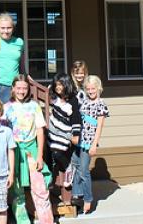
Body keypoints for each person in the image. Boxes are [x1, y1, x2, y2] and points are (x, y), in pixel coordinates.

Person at [3, 75, 51, 221]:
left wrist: (40, 156)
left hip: (31, 150)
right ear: (13, 89)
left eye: (24, 88)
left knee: (40, 187)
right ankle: (23, 220)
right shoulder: (6, 108)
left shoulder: (34, 106)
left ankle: (46, 220)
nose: (21, 91)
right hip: (14, 151)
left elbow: (40, 131)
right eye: (18, 88)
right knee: (17, 191)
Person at [71, 75, 109, 214]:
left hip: (89, 141)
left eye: (93, 88)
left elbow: (99, 126)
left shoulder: (101, 104)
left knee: (84, 170)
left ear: (98, 88)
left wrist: (94, 145)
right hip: (79, 139)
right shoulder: (85, 101)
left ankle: (87, 199)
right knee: (75, 164)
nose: (91, 91)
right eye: (88, 89)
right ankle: (77, 193)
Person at [47, 73, 81, 207]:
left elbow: (76, 118)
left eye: (61, 84)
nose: (58, 87)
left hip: (65, 133)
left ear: (66, 84)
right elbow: (47, 92)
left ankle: (68, 167)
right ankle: (50, 179)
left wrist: (76, 134)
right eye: (56, 84)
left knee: (57, 153)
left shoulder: (72, 99)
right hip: (53, 132)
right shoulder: (54, 97)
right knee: (50, 153)